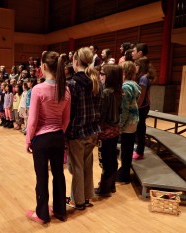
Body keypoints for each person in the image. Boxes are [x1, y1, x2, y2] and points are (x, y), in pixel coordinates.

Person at [25, 51, 70, 224]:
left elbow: (33, 119)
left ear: (43, 67)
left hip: (41, 140)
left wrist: (28, 139)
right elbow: (66, 118)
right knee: (59, 173)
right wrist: (58, 132)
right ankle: (60, 210)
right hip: (58, 136)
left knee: (42, 176)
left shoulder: (38, 89)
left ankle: (42, 214)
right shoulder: (65, 89)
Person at [66, 47, 102, 210]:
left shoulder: (72, 83)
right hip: (93, 130)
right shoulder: (96, 81)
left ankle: (78, 201)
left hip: (77, 132)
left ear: (75, 62)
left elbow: (70, 112)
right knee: (87, 165)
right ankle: (86, 198)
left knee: (78, 168)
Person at [95, 65, 122, 197]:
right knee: (112, 158)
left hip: (106, 131)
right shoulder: (118, 91)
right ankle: (111, 185)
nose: (100, 76)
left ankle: (104, 188)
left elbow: (102, 114)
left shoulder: (106, 92)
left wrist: (97, 130)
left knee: (105, 159)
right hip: (116, 130)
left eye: (102, 74)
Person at [116, 61, 141, 183]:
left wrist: (120, 125)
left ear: (124, 72)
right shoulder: (134, 84)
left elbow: (125, 109)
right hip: (133, 120)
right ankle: (124, 171)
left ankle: (124, 175)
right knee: (128, 148)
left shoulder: (125, 86)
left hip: (128, 121)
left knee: (126, 150)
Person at [132, 58, 156, 160]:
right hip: (142, 106)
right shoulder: (141, 77)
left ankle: (140, 152)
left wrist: (135, 108)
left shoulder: (143, 78)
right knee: (139, 128)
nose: (135, 67)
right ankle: (138, 149)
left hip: (142, 107)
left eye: (136, 65)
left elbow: (141, 97)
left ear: (141, 66)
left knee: (140, 129)